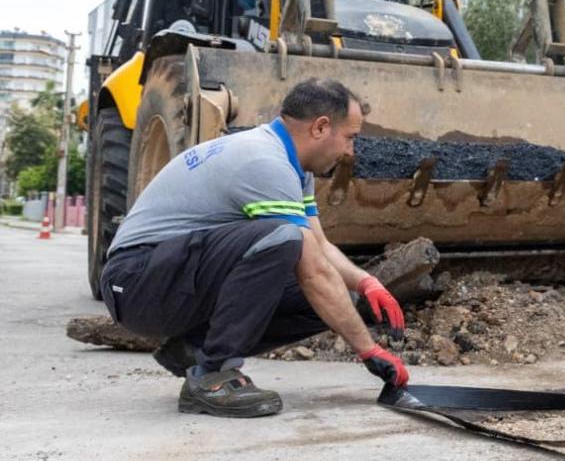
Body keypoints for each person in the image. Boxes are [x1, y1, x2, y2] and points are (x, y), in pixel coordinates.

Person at [100, 78, 409, 418]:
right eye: (350, 138)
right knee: (282, 239)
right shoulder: (263, 161)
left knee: (337, 297)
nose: (351, 151)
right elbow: (313, 267)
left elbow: (319, 246)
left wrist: (366, 282)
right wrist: (368, 349)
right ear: (321, 127)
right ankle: (213, 376)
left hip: (171, 276)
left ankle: (194, 349)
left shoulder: (292, 166)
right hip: (135, 282)